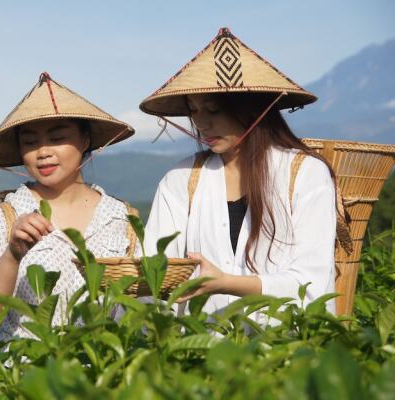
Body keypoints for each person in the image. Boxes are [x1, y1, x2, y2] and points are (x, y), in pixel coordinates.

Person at [139, 28, 338, 321]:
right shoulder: (180, 180)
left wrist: (227, 284)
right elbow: (155, 274)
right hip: (198, 352)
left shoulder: (305, 173)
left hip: (285, 350)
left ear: (250, 109)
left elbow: (311, 285)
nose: (202, 123)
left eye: (214, 110)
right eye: (194, 110)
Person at [0, 72, 135, 344]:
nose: (43, 152)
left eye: (57, 138)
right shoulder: (3, 217)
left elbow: (143, 308)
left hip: (102, 377)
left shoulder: (121, 218)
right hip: (25, 376)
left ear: (85, 140)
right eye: (30, 142)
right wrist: (13, 254)